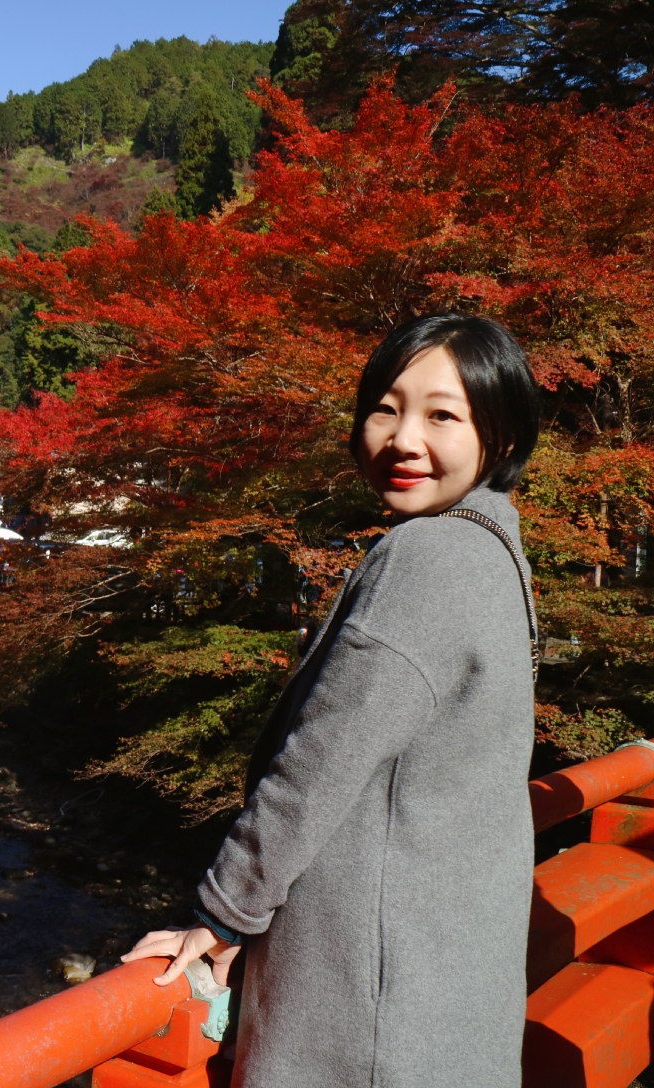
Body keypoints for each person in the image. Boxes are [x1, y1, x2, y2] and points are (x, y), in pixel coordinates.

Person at [121, 313, 542, 1088]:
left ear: (503, 439)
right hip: (442, 989)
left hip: (372, 1010)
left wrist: (220, 919)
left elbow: (319, 762)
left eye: (442, 415)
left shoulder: (431, 558)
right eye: (386, 407)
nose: (402, 438)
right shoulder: (496, 555)